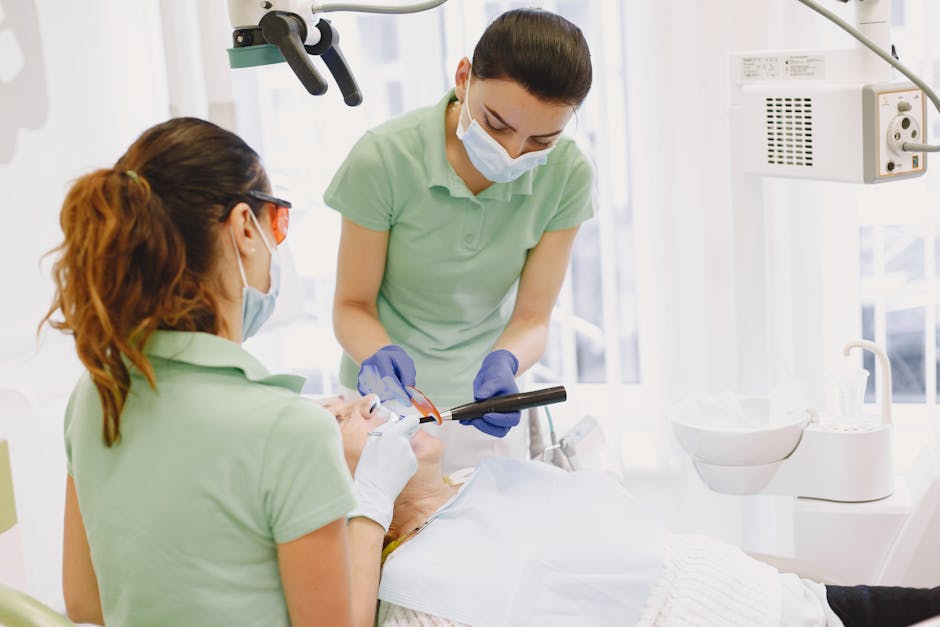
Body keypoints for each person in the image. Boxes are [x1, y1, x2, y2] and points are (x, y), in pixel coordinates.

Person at [41, 117, 409, 627]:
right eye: (276, 224)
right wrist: (370, 494)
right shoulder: (289, 433)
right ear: (243, 227)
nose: (277, 247)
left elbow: (86, 602)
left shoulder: (98, 393)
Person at [332, 396, 940, 627]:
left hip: (768, 594)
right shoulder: (416, 593)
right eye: (339, 418)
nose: (365, 400)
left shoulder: (483, 477)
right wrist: (373, 502)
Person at [325, 8, 595, 471]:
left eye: (540, 141)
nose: (512, 153)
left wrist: (506, 363)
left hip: (482, 411)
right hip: (383, 407)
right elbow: (352, 306)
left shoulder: (567, 173)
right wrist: (377, 354)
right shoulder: (385, 160)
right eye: (496, 124)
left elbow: (532, 317)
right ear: (464, 77)